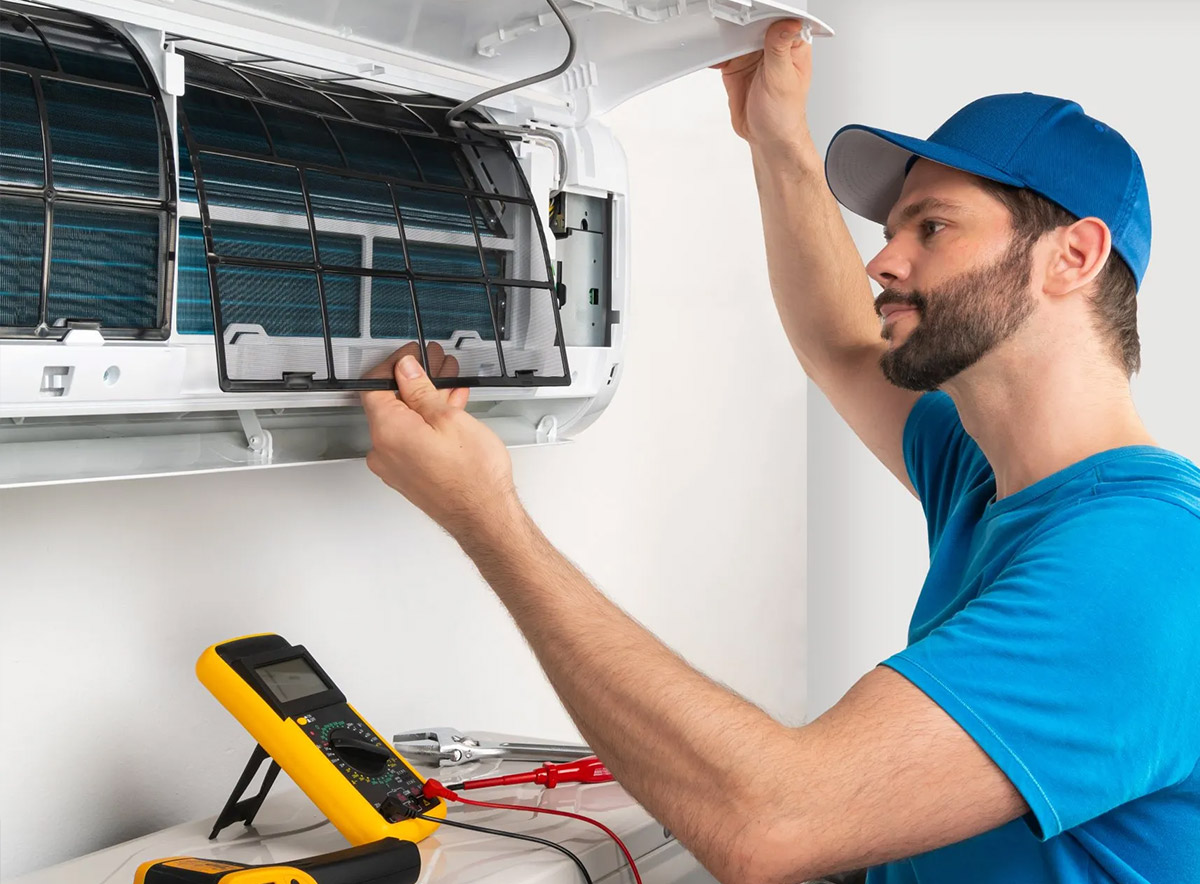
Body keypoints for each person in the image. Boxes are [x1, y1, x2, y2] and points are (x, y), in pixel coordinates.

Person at [359, 19, 1200, 884]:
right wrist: (777, 137)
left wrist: (486, 516)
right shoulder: (991, 476)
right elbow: (845, 345)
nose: (883, 261)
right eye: (892, 230)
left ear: (1073, 256)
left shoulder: (1143, 567)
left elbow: (770, 823)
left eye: (932, 228)